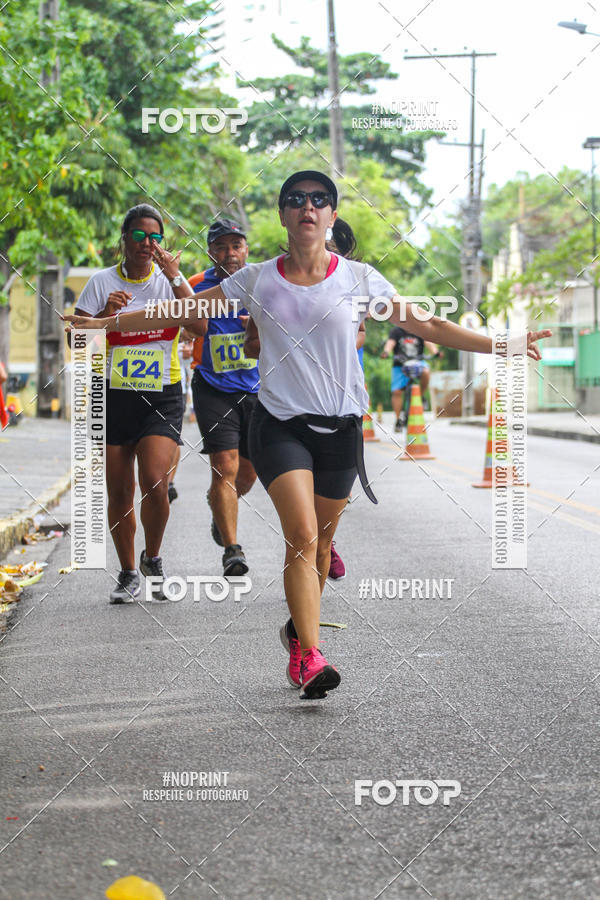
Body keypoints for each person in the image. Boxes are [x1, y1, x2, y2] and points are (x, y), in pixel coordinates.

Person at [65, 171, 550, 699]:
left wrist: (500, 343)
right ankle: (313, 660)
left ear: (332, 216)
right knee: (302, 536)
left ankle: (299, 636)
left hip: (341, 427)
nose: (308, 207)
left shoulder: (360, 279)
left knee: (321, 549)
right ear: (283, 216)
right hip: (279, 426)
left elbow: (427, 326)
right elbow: (184, 308)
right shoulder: (256, 279)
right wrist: (104, 326)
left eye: (320, 200)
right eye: (296, 200)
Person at [71, 203, 200, 603]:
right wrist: (106, 317)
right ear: (124, 240)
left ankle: (153, 557)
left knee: (157, 482)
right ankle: (128, 572)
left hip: (161, 394)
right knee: (119, 490)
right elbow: (76, 345)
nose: (148, 243)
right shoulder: (100, 282)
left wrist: (175, 275)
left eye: (155, 237)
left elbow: (199, 325)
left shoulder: (170, 283)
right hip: (112, 396)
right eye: (140, 235)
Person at [189, 219, 259, 576]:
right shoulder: (197, 285)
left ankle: (220, 508)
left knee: (247, 475)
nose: (230, 254)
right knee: (225, 466)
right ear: (210, 251)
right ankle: (233, 550)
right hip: (213, 387)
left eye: (236, 246)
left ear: (246, 248)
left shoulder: (265, 283)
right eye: (221, 247)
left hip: (259, 389)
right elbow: (181, 320)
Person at [381, 327, 439, 431]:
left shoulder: (420, 329)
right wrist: (386, 352)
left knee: (426, 372)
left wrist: (435, 352)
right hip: (400, 364)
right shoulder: (396, 331)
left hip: (417, 362)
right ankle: (398, 419)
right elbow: (390, 343)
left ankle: (420, 396)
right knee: (397, 392)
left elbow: (428, 342)